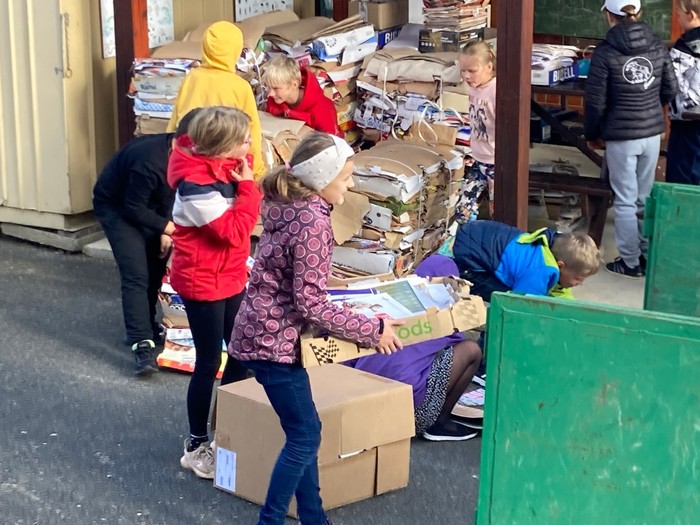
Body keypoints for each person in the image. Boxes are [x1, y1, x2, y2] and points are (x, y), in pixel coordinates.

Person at [228, 132, 404, 525]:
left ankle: (314, 517)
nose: (351, 185)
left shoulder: (289, 205)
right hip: (276, 342)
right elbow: (310, 303)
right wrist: (373, 330)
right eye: (346, 177)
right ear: (321, 179)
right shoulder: (312, 222)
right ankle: (271, 520)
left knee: (303, 431)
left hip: (260, 331)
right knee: (305, 435)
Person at [167, 106, 263, 479]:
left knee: (241, 351)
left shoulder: (227, 165)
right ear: (222, 147)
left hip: (230, 275)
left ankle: (228, 429)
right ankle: (195, 445)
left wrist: (247, 181)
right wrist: (249, 188)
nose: (250, 143)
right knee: (209, 362)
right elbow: (235, 232)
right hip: (203, 281)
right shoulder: (194, 185)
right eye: (244, 139)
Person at [92, 109, 200, 376]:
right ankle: (141, 345)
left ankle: (149, 326)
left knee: (156, 267)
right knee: (136, 273)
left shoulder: (186, 156)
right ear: (186, 141)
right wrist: (168, 226)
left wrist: (165, 227)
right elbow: (133, 207)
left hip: (151, 204)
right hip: (118, 207)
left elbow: (175, 193)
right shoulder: (150, 161)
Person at [584, 0, 677, 278]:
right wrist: (650, 110)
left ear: (608, 15)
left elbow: (595, 102)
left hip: (621, 136)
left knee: (624, 200)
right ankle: (647, 256)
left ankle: (630, 262)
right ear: (640, 12)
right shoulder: (657, 44)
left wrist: (592, 134)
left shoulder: (605, 51)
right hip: (651, 134)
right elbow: (670, 89)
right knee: (643, 198)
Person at [348, 256, 483, 442]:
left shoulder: (386, 305)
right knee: (471, 350)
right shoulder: (443, 316)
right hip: (408, 418)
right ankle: (439, 423)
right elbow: (457, 338)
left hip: (358, 409)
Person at [166, 21, 265, 180]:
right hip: (225, 167)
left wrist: (171, 155)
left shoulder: (191, 78)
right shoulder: (240, 86)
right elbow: (252, 133)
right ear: (235, 50)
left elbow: (175, 121)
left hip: (191, 161)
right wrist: (257, 173)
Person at [451, 220, 601, 302]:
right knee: (502, 300)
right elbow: (521, 307)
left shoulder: (553, 247)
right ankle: (486, 345)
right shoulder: (541, 271)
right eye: (578, 278)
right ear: (560, 265)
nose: (581, 283)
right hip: (471, 260)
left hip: (477, 236)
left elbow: (560, 293)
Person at [456, 40, 497, 222]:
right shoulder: (473, 88)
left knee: (499, 213)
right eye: (463, 71)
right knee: (462, 211)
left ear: (489, 67)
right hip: (478, 158)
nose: (466, 76)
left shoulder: (496, 91)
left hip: (496, 161)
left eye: (472, 71)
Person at [263, 56, 341, 136]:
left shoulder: (323, 109)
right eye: (268, 87)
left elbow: (330, 141)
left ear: (294, 84)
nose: (270, 94)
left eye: (276, 88)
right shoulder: (275, 100)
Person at [667, 0, 700, 185]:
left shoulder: (684, 47)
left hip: (687, 123)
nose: (678, 20)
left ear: (691, 15)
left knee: (681, 181)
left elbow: (673, 86)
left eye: (679, 16)